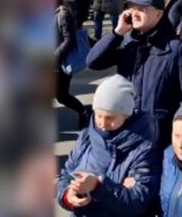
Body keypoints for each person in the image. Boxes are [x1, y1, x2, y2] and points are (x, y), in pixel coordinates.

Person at [86, 0, 182, 147]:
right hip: (126, 132)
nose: (135, 14)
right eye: (133, 9)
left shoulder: (175, 49)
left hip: (158, 137)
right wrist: (117, 32)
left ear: (159, 15)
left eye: (142, 10)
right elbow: (93, 62)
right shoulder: (127, 42)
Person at [56, 75, 161, 216]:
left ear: (126, 114)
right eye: (98, 115)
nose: (103, 124)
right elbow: (65, 176)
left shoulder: (143, 148)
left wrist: (98, 186)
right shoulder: (86, 136)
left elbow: (139, 201)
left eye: (110, 118)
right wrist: (68, 196)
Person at [54, 0, 87, 118]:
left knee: (62, 96)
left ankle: (84, 112)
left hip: (59, 63)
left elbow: (69, 40)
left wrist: (55, 55)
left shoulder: (63, 14)